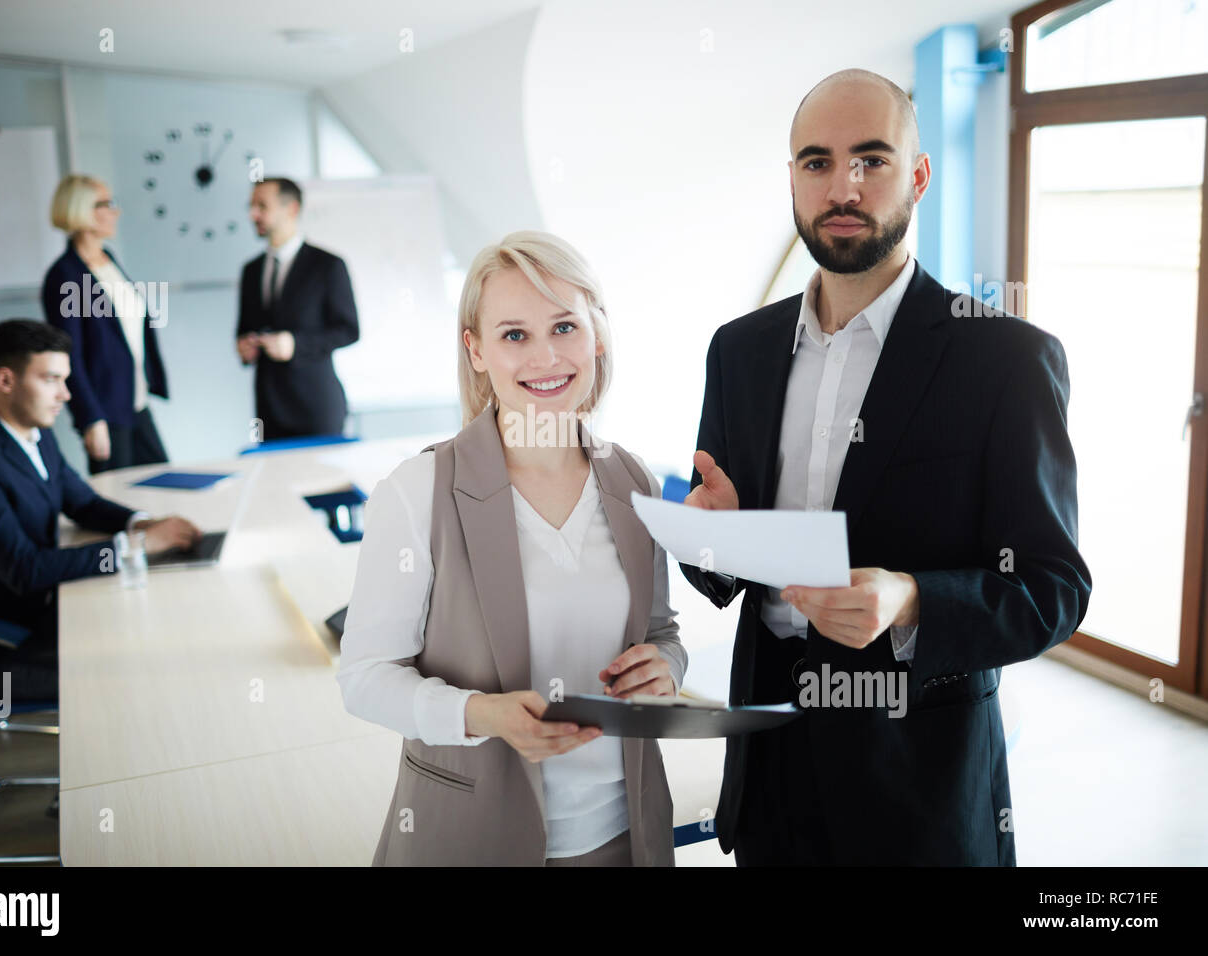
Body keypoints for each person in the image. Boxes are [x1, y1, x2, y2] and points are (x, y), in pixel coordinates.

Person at [680, 69, 1091, 865]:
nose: (844, 187)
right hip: (769, 773)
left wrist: (911, 601)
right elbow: (722, 565)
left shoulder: (1007, 360)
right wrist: (712, 543)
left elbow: (1054, 590)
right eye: (818, 163)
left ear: (919, 175)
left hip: (919, 791)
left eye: (872, 160)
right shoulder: (739, 349)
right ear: (792, 179)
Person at [337, 232, 685, 866]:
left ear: (597, 334)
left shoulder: (633, 481)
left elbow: (661, 634)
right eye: (514, 335)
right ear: (476, 349)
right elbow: (363, 678)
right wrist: (479, 714)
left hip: (624, 831)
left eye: (564, 326)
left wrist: (667, 668)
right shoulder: (417, 491)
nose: (546, 357)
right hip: (471, 837)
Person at [0, 320, 199, 701]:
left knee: (148, 621)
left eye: (65, 379)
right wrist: (133, 547)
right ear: (6, 380)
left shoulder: (34, 430)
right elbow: (24, 570)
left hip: (34, 602)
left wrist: (141, 523)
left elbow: (82, 502)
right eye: (51, 380)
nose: (65, 394)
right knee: (123, 671)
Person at [42, 174, 171, 475]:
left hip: (134, 401)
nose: (116, 211)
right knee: (116, 495)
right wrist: (90, 419)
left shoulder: (107, 260)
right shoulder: (65, 275)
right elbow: (68, 356)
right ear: (81, 210)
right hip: (105, 410)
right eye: (107, 204)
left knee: (161, 482)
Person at [236, 177, 360, 442]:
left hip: (316, 406)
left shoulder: (328, 265)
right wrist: (244, 348)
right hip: (267, 410)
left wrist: (295, 344)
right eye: (251, 206)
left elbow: (349, 330)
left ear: (291, 209)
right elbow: (244, 329)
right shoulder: (250, 271)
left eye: (262, 206)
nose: (252, 214)